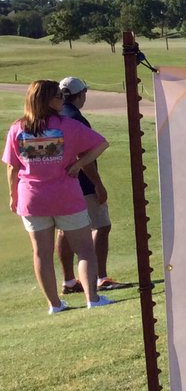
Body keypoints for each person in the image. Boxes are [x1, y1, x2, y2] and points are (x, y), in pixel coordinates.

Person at [4, 80, 112, 313]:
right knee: (84, 249)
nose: (62, 100)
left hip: (32, 198)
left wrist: (12, 195)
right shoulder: (67, 125)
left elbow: (12, 167)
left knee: (41, 253)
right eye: (58, 96)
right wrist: (79, 164)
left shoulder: (18, 128)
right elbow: (101, 143)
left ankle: (55, 304)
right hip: (66, 196)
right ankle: (92, 298)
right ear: (48, 100)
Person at [55, 78, 121, 295]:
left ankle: (69, 281)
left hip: (60, 184)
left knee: (64, 231)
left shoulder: (55, 118)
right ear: (80, 94)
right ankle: (100, 277)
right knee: (101, 226)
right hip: (83, 185)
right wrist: (98, 185)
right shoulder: (76, 119)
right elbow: (83, 157)